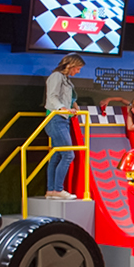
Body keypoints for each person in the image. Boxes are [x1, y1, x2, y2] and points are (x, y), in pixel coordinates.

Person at [43, 53, 84, 200]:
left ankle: (51, 190)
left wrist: (74, 105)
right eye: (77, 68)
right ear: (71, 65)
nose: (78, 71)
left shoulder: (66, 79)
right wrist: (62, 108)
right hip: (55, 119)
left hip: (63, 119)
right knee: (68, 154)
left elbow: (67, 97)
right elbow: (52, 96)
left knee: (57, 155)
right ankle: (58, 189)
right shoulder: (57, 76)